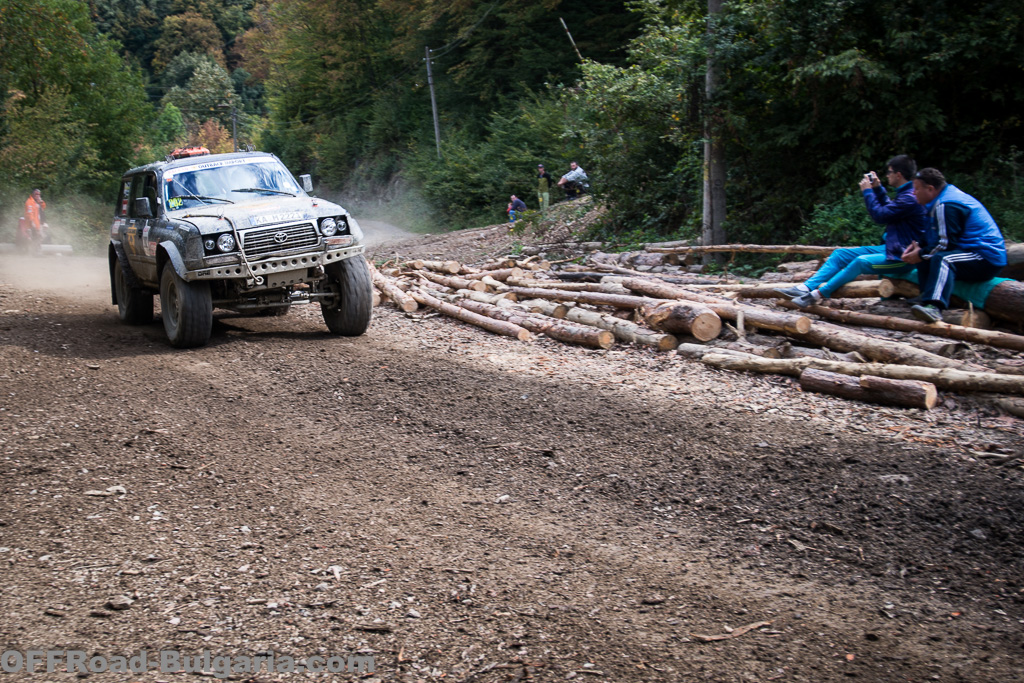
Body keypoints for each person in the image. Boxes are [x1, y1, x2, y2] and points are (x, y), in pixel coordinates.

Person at [776, 155, 928, 308]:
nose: (887, 176)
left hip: (902, 257)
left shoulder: (909, 198)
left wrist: (868, 192)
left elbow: (880, 216)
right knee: (840, 254)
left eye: (889, 172)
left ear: (898, 174)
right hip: (892, 249)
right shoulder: (905, 194)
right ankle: (804, 288)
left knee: (861, 261)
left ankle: (817, 295)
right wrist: (877, 189)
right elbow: (890, 209)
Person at [901, 167, 1007, 323]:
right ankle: (926, 295)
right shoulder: (936, 203)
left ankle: (934, 307)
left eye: (916, 189)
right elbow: (933, 236)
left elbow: (946, 245)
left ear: (930, 189)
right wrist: (918, 246)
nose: (913, 193)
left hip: (985, 258)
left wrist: (920, 254)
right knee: (927, 253)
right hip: (967, 251)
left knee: (943, 259)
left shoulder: (947, 205)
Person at [18, 188, 48, 254]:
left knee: (39, 237)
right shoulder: (29, 202)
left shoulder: (38, 202)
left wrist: (41, 201)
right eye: (36, 194)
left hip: (38, 223)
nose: (38, 196)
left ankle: (36, 251)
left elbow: (43, 207)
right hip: (32, 224)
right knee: (34, 237)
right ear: (33, 194)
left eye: (39, 194)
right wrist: (32, 222)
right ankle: (33, 252)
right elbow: (29, 213)